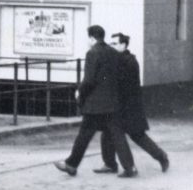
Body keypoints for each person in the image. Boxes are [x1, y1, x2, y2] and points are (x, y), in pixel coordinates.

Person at [54, 25, 136, 178]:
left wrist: (80, 92)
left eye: (88, 39)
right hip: (112, 102)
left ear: (91, 38)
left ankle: (71, 165)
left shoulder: (92, 53)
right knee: (118, 135)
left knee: (84, 134)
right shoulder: (113, 53)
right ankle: (130, 167)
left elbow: (89, 80)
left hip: (96, 104)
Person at [95, 33, 169, 174]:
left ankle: (161, 157)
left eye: (115, 44)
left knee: (138, 136)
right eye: (111, 44)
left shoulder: (129, 62)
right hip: (118, 106)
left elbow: (121, 84)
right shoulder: (116, 59)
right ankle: (110, 164)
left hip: (129, 107)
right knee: (107, 133)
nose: (112, 46)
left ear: (123, 45)